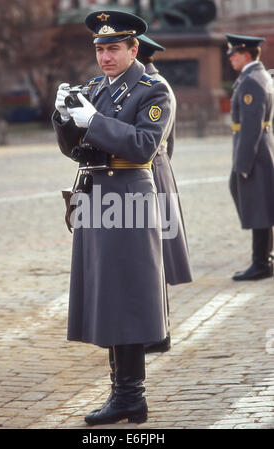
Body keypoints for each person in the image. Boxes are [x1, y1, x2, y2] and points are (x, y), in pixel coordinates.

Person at [52, 10, 172, 425]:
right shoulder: (95, 88)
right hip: (95, 197)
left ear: (133, 48)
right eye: (100, 49)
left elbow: (142, 146)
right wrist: (65, 119)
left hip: (128, 199)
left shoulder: (153, 90)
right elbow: (78, 149)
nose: (105, 57)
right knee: (107, 295)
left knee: (128, 296)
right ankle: (122, 394)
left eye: (113, 49)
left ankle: (130, 396)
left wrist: (94, 121)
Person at [137, 35, 192, 353]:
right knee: (150, 252)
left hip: (152, 171)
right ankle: (156, 329)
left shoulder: (154, 87)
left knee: (153, 252)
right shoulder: (152, 84)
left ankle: (159, 332)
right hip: (158, 168)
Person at [226, 33, 274, 281]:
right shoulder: (257, 76)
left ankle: (261, 262)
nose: (230, 58)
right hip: (262, 148)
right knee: (262, 204)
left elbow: (251, 126)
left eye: (233, 54)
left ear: (245, 54)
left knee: (257, 205)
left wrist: (242, 163)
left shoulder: (251, 81)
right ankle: (267, 257)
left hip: (253, 151)